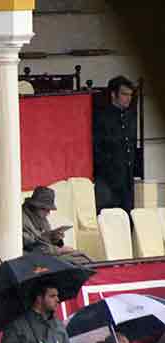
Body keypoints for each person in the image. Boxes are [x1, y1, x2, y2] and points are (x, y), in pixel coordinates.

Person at [93, 75, 137, 213]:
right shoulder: (101, 117)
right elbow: (96, 148)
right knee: (109, 216)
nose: (128, 98)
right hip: (107, 179)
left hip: (127, 178)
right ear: (113, 94)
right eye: (124, 94)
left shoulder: (130, 116)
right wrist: (108, 169)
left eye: (130, 95)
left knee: (127, 216)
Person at [21, 186, 88, 264]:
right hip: (34, 260)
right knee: (80, 261)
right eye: (46, 209)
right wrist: (58, 250)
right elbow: (31, 246)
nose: (48, 213)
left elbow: (45, 238)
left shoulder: (40, 218)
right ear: (35, 206)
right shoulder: (22, 220)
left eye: (49, 210)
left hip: (49, 254)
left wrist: (55, 238)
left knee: (83, 257)